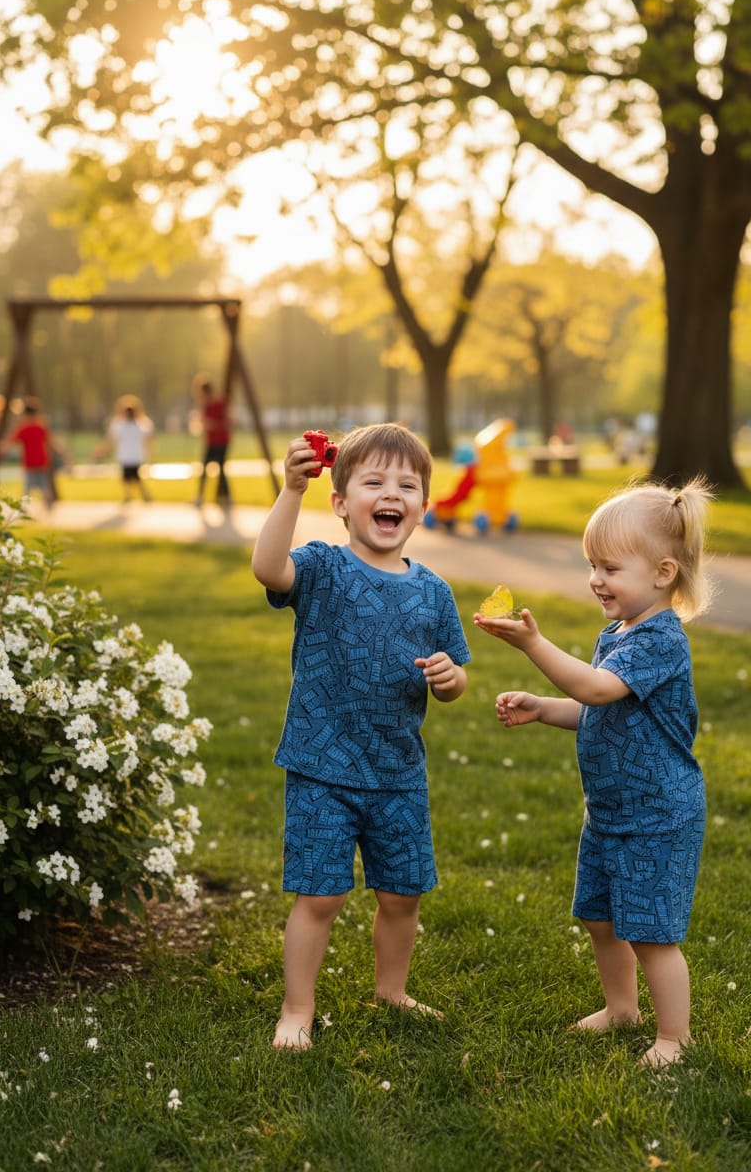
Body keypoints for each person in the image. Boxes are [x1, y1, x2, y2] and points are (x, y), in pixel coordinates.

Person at [474, 479, 713, 1067]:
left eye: (610, 567)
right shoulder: (618, 632)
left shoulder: (661, 639)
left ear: (662, 573)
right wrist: (542, 708)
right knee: (602, 919)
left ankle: (674, 1038)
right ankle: (621, 1009)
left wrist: (534, 644)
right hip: (609, 812)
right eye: (591, 565)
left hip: (657, 814)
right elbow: (595, 709)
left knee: (652, 932)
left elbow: (596, 686)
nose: (596, 579)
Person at [251, 422, 471, 1050]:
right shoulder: (321, 566)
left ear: (422, 506)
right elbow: (268, 567)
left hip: (399, 773)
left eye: (407, 484)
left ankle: (392, 990)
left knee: (403, 895)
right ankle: (297, 1009)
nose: (391, 493)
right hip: (323, 765)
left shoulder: (434, 592)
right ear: (342, 502)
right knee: (319, 897)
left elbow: (453, 682)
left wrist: (449, 678)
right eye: (373, 481)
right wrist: (289, 490)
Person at [0, 396, 65, 509]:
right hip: (40, 462)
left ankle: (25, 509)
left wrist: (3, 447)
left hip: (32, 464)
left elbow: (9, 441)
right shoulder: (40, 427)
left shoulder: (24, 428)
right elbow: (51, 442)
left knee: (29, 489)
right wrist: (62, 452)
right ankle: (48, 508)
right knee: (44, 488)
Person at [93, 395, 153, 503]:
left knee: (133, 477)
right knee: (128, 477)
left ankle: (139, 495)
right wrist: (103, 450)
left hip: (131, 456)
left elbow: (147, 439)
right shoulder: (123, 425)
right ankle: (132, 495)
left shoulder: (137, 425)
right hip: (129, 455)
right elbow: (111, 440)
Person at [192, 373, 232, 507]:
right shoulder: (204, 405)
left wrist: (213, 424)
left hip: (221, 440)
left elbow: (229, 421)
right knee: (205, 468)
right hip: (211, 441)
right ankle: (205, 496)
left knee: (220, 468)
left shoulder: (220, 403)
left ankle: (224, 496)